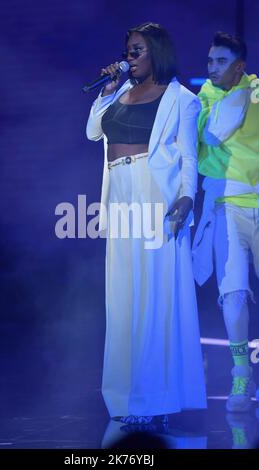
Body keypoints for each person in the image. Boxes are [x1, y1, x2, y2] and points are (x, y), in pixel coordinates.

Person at [86, 22, 207, 424]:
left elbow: (188, 155)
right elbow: (92, 132)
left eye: (137, 50)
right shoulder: (118, 91)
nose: (130, 57)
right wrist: (105, 91)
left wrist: (188, 196)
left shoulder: (181, 100)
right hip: (119, 194)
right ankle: (123, 396)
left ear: (156, 52)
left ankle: (154, 398)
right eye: (128, 50)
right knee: (122, 298)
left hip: (154, 196)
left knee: (153, 298)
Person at [193, 31, 259, 412]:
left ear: (240, 65)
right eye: (210, 61)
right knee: (232, 294)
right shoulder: (202, 98)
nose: (212, 68)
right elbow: (210, 135)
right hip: (226, 204)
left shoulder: (253, 91)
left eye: (221, 62)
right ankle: (241, 377)